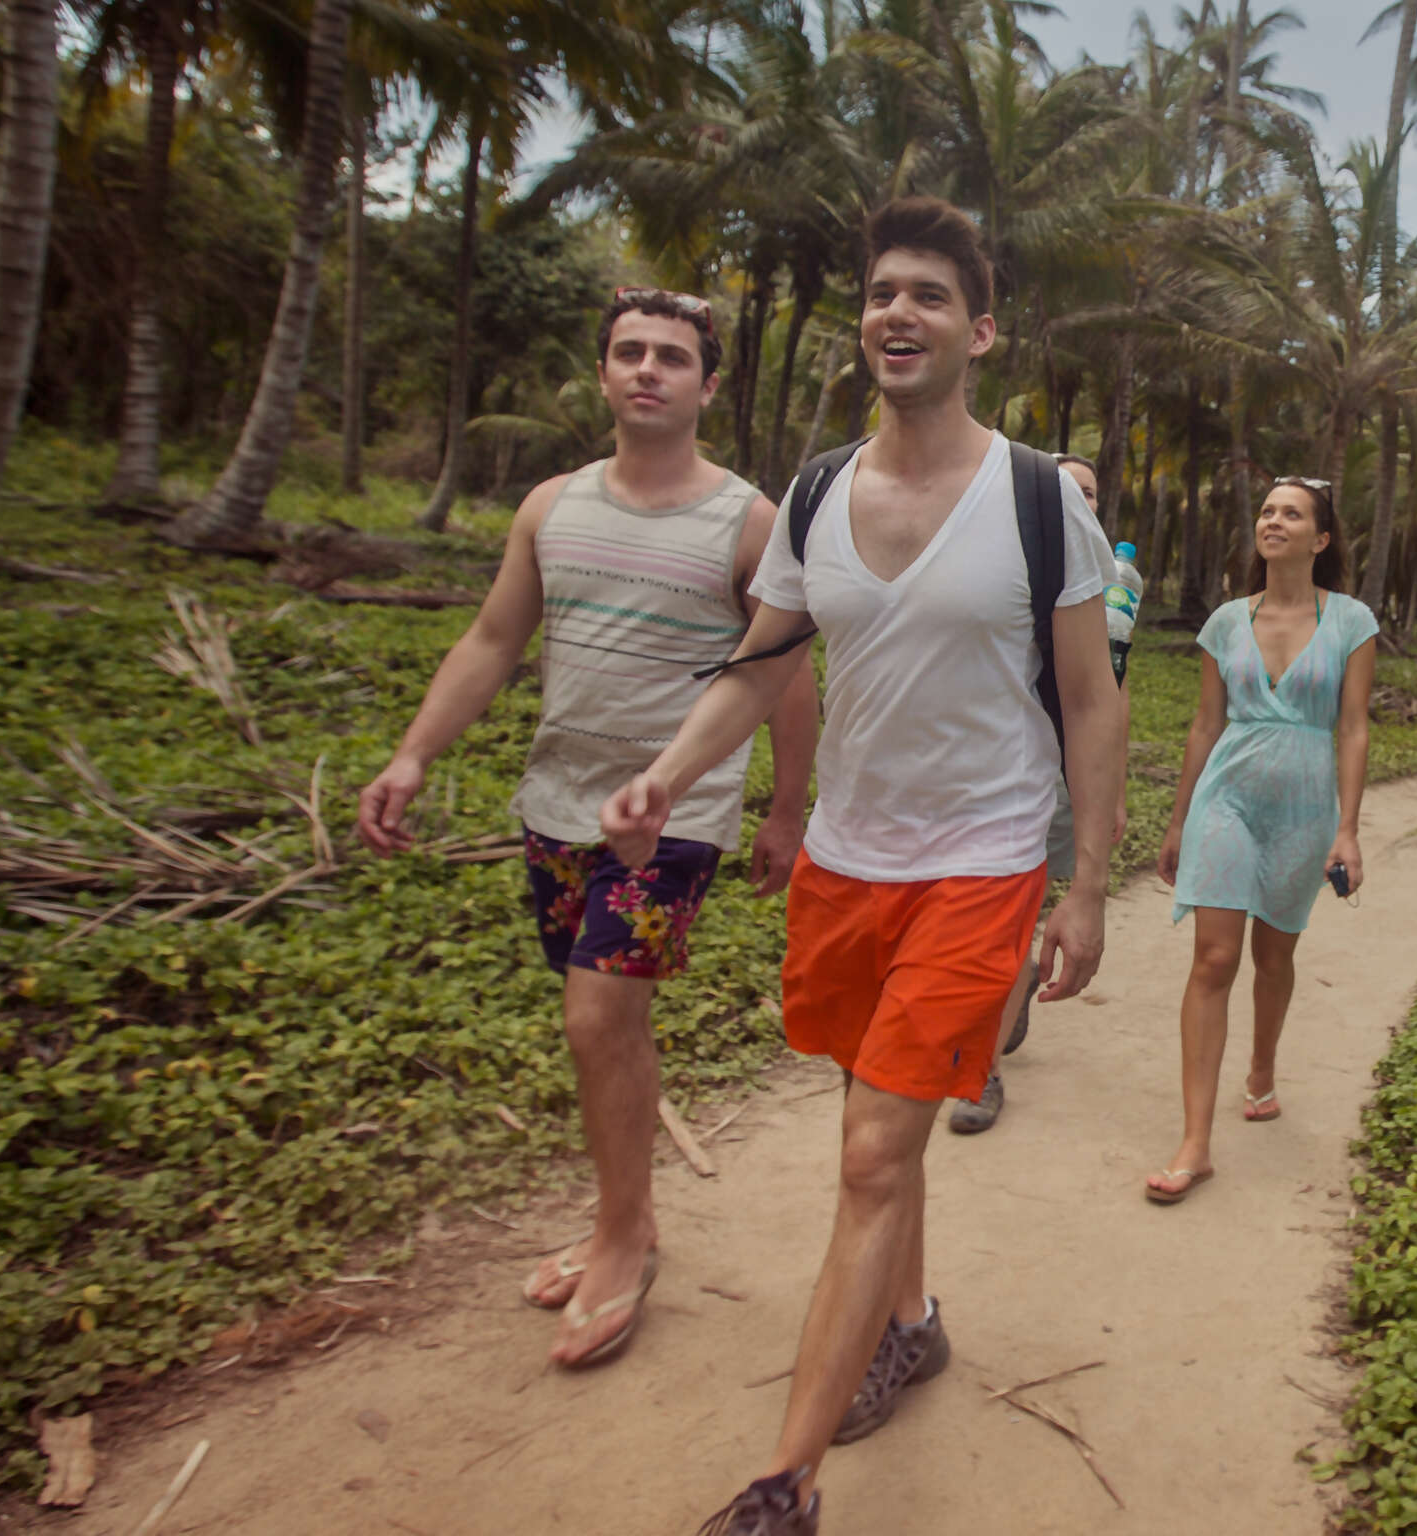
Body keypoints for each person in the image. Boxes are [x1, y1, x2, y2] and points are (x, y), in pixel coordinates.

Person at [599, 198, 1124, 1536]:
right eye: (884, 291)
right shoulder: (820, 491)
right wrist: (668, 772)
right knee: (877, 1121)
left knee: (875, 1153)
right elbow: (762, 661)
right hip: (847, 861)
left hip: (983, 863)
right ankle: (911, 1323)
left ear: (979, 332)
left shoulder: (1037, 500)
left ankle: (782, 1487)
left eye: (930, 294)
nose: (900, 311)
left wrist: (1085, 885)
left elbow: (1091, 698)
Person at [355, 288, 818, 1370]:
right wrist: (412, 755)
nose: (648, 369)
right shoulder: (549, 508)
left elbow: (785, 676)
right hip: (556, 807)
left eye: (672, 356)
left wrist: (785, 808)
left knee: (597, 1015)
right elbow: (491, 640)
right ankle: (630, 1216)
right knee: (606, 1024)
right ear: (604, 373)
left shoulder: (749, 523)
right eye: (629, 352)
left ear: (709, 384)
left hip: (676, 818)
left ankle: (620, 1242)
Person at [1146, 476, 1375, 1206]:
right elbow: (1205, 724)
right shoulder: (1224, 622)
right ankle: (1195, 1142)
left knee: (1274, 957)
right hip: (1229, 799)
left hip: (1305, 809)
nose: (1274, 520)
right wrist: (1180, 820)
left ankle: (1262, 1070)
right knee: (1214, 958)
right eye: (1268, 511)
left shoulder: (1350, 621)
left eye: (1292, 513)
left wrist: (1347, 830)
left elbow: (1354, 727)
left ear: (1321, 538)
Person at [947, 452, 1133, 1135]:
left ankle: (983, 1072)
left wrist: (1111, 793)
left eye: (1089, 491)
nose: (1077, 499)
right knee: (974, 927)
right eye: (1065, 487)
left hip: (1057, 773)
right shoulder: (996, 562)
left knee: (1011, 923)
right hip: (976, 771)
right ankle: (1001, 997)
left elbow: (1111, 694)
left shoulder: (1112, 590)